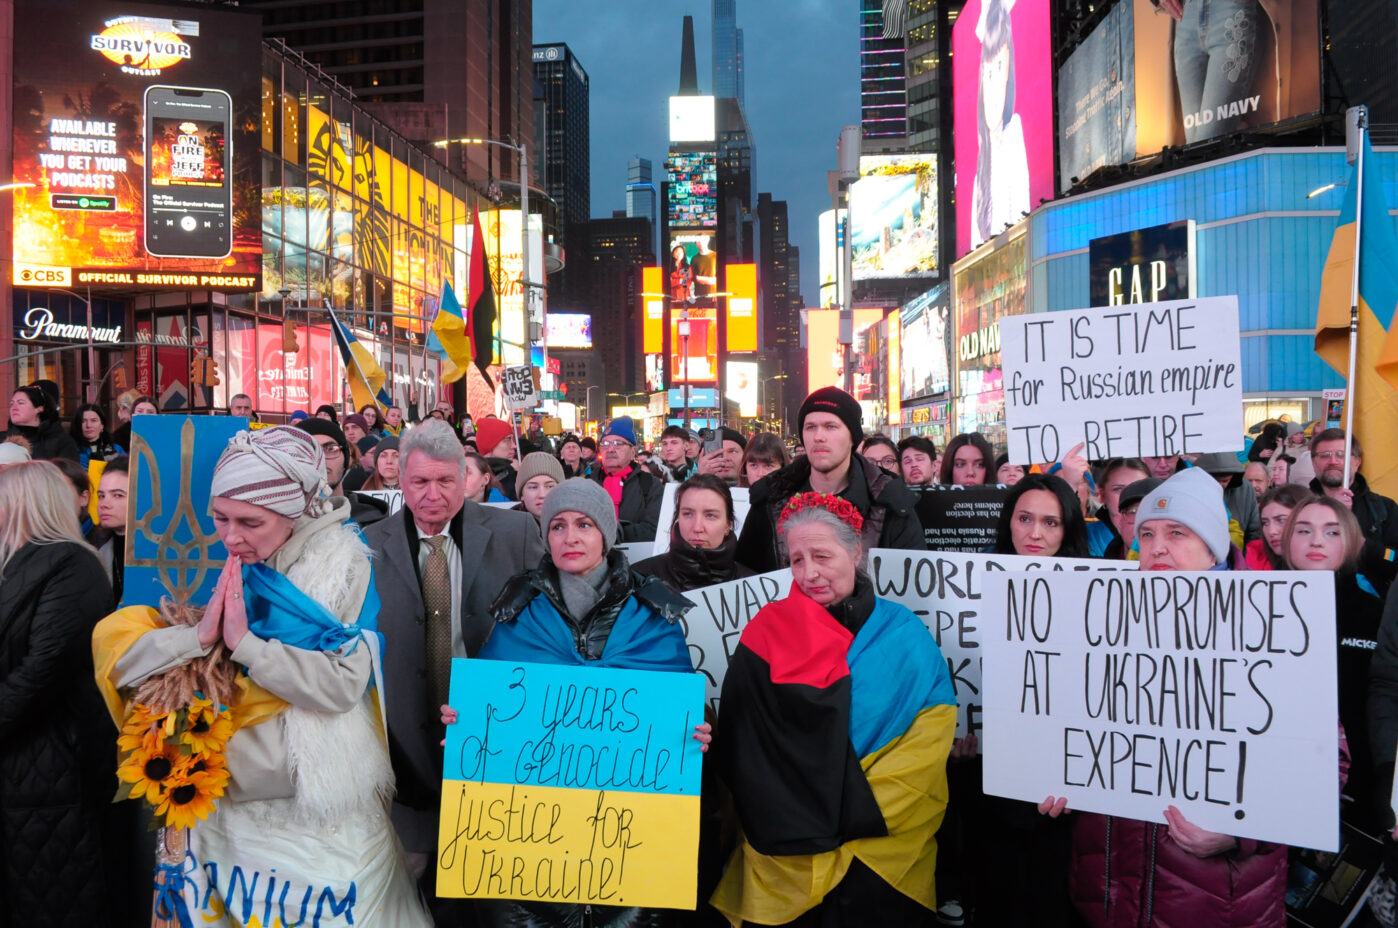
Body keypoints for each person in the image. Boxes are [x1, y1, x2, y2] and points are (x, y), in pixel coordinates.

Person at [93, 426, 429, 926]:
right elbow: (162, 653)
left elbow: (340, 686)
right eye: (220, 518)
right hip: (224, 794)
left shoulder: (342, 566)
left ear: (294, 512)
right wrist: (199, 637)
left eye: (249, 521)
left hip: (314, 804)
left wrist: (248, 646)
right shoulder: (234, 558)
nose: (230, 537)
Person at [448, 477, 702, 926]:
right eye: (558, 526)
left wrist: (698, 730)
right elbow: (493, 709)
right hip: (529, 847)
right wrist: (464, 722)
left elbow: (677, 706)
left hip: (628, 845)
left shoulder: (653, 613)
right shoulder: (516, 610)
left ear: (606, 532)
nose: (570, 537)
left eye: (584, 524)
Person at [1046, 466, 1286, 927]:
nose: (1156, 546)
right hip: (1109, 893)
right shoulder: (1100, 623)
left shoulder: (1268, 628)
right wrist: (1058, 773)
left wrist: (1242, 833)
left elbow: (1321, 764)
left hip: (1214, 902)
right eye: (1148, 533)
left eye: (1177, 532)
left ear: (1213, 544)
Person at [712, 491, 957, 925]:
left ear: (856, 551)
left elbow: (927, 745)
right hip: (783, 855)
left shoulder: (903, 633)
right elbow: (742, 745)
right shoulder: (765, 631)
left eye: (822, 556)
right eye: (797, 560)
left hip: (882, 863)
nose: (809, 574)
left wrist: (840, 817)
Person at [362, 420, 545, 891]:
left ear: (466, 478)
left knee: (486, 886)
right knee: (411, 879)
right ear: (400, 480)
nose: (433, 495)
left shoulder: (516, 533)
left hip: (496, 742)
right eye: (420, 482)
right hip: (403, 748)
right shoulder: (365, 546)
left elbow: (550, 627)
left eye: (446, 481)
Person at [0, 461, 135, 925]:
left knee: (55, 895)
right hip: (16, 759)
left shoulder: (72, 564)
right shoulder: (10, 561)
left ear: (23, 505)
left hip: (53, 765)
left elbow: (45, 668)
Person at [738, 387, 924, 572]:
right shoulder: (771, 497)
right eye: (810, 427)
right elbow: (745, 576)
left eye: (830, 426)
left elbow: (910, 584)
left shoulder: (891, 501)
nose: (819, 437)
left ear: (853, 437)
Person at [1282, 495, 1382, 829]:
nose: (1316, 541)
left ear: (1352, 539)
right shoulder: (1258, 609)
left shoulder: (1375, 614)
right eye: (1303, 530)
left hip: (1361, 794)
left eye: (1332, 532)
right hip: (1281, 788)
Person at [1307, 429, 1398, 597]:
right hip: (1312, 606)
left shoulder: (1384, 508)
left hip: (1371, 615)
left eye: (1341, 454)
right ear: (1313, 462)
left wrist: (1361, 543)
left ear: (1357, 462)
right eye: (1325, 455)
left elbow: (1394, 561)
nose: (1333, 461)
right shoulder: (1299, 506)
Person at [971, 0, 1030, 248]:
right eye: (989, 72)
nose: (994, 85)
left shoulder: (1014, 136)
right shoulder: (980, 173)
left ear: (1009, 72)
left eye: (1000, 66)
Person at [634, 474, 755, 591]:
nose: (697, 527)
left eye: (710, 515)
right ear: (678, 517)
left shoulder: (752, 585)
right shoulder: (640, 578)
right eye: (688, 514)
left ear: (727, 525)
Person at [295, 418, 391, 527]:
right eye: (309, 450)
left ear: (346, 459)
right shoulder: (279, 525)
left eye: (330, 449)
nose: (321, 459)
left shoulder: (373, 520)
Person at [586, 416, 664, 543]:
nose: (610, 449)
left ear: (633, 452)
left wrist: (618, 532)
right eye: (605, 444)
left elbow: (655, 529)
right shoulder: (588, 484)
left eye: (618, 443)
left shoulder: (649, 484)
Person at [990, 473, 1088, 558]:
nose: (1035, 534)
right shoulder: (980, 569)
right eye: (1024, 519)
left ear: (1068, 528)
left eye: (1050, 523)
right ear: (1008, 520)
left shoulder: (1093, 574)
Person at [1085, 458, 1151, 557]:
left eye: (1139, 487)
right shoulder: (1085, 536)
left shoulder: (1164, 532)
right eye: (1118, 489)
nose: (1129, 495)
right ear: (1103, 495)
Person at [1194, 451, 1261, 544]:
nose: (1219, 485)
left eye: (1225, 480)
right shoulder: (1191, 489)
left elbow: (1255, 530)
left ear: (1233, 476)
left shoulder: (1245, 489)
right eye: (1214, 480)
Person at [5, 385, 79, 462]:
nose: (14, 408)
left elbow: (70, 472)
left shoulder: (62, 442)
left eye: (20, 403)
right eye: (11, 404)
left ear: (39, 408)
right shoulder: (3, 439)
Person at [1246, 483, 1310, 570]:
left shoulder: (1331, 563)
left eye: (1281, 520)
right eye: (1265, 523)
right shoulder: (1251, 560)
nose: (1271, 531)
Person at [92, 455, 130, 601]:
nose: (104, 504)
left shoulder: (159, 553)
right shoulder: (97, 549)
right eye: (101, 496)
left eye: (117, 495)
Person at [474, 416, 520, 499]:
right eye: (508, 439)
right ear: (491, 444)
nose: (514, 446)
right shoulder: (472, 476)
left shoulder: (512, 473)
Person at [514, 451, 563, 524]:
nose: (542, 495)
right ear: (522, 494)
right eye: (533, 487)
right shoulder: (506, 530)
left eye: (550, 486)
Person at [70, 403, 124, 467]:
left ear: (102, 425)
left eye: (93, 420)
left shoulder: (117, 449)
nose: (88, 425)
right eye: (83, 421)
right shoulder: (71, 450)